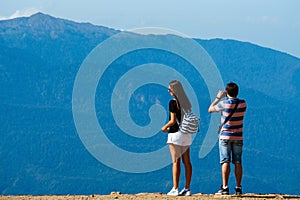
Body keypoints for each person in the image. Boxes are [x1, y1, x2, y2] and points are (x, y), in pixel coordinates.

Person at [208, 82, 247, 195]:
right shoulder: (243, 103)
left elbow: (210, 109)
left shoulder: (223, 104)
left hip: (225, 136)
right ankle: (238, 187)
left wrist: (218, 98)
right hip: (238, 136)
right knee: (238, 161)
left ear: (227, 92)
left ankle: (225, 187)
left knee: (225, 161)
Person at [161, 80, 193, 196]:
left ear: (174, 90)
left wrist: (164, 127)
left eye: (169, 89)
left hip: (175, 134)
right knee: (187, 161)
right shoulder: (187, 102)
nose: (168, 91)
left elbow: (173, 121)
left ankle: (175, 188)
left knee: (176, 161)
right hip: (186, 134)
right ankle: (187, 188)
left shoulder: (172, 103)